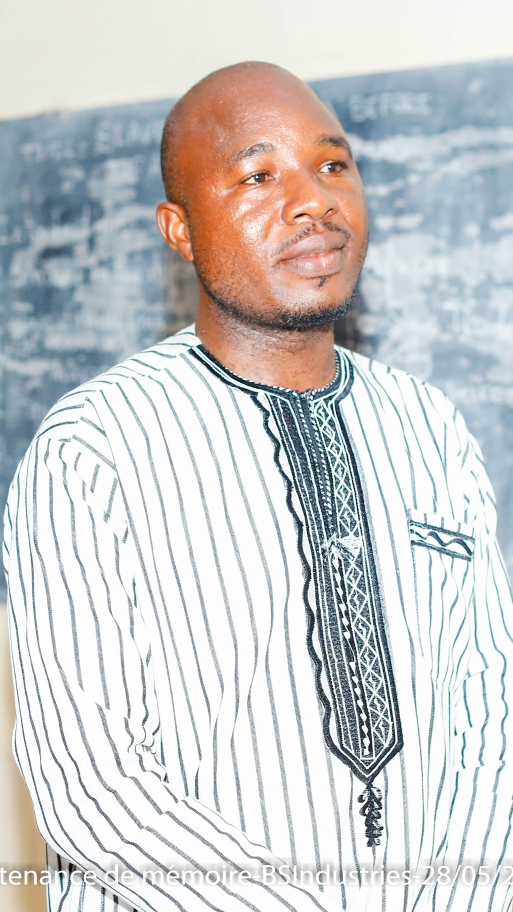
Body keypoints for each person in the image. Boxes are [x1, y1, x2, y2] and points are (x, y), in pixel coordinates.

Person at [4, 61, 513, 912]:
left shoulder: (428, 426)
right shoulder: (94, 448)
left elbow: (490, 713)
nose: (314, 200)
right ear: (179, 230)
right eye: (257, 176)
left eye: (333, 164)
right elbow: (92, 785)